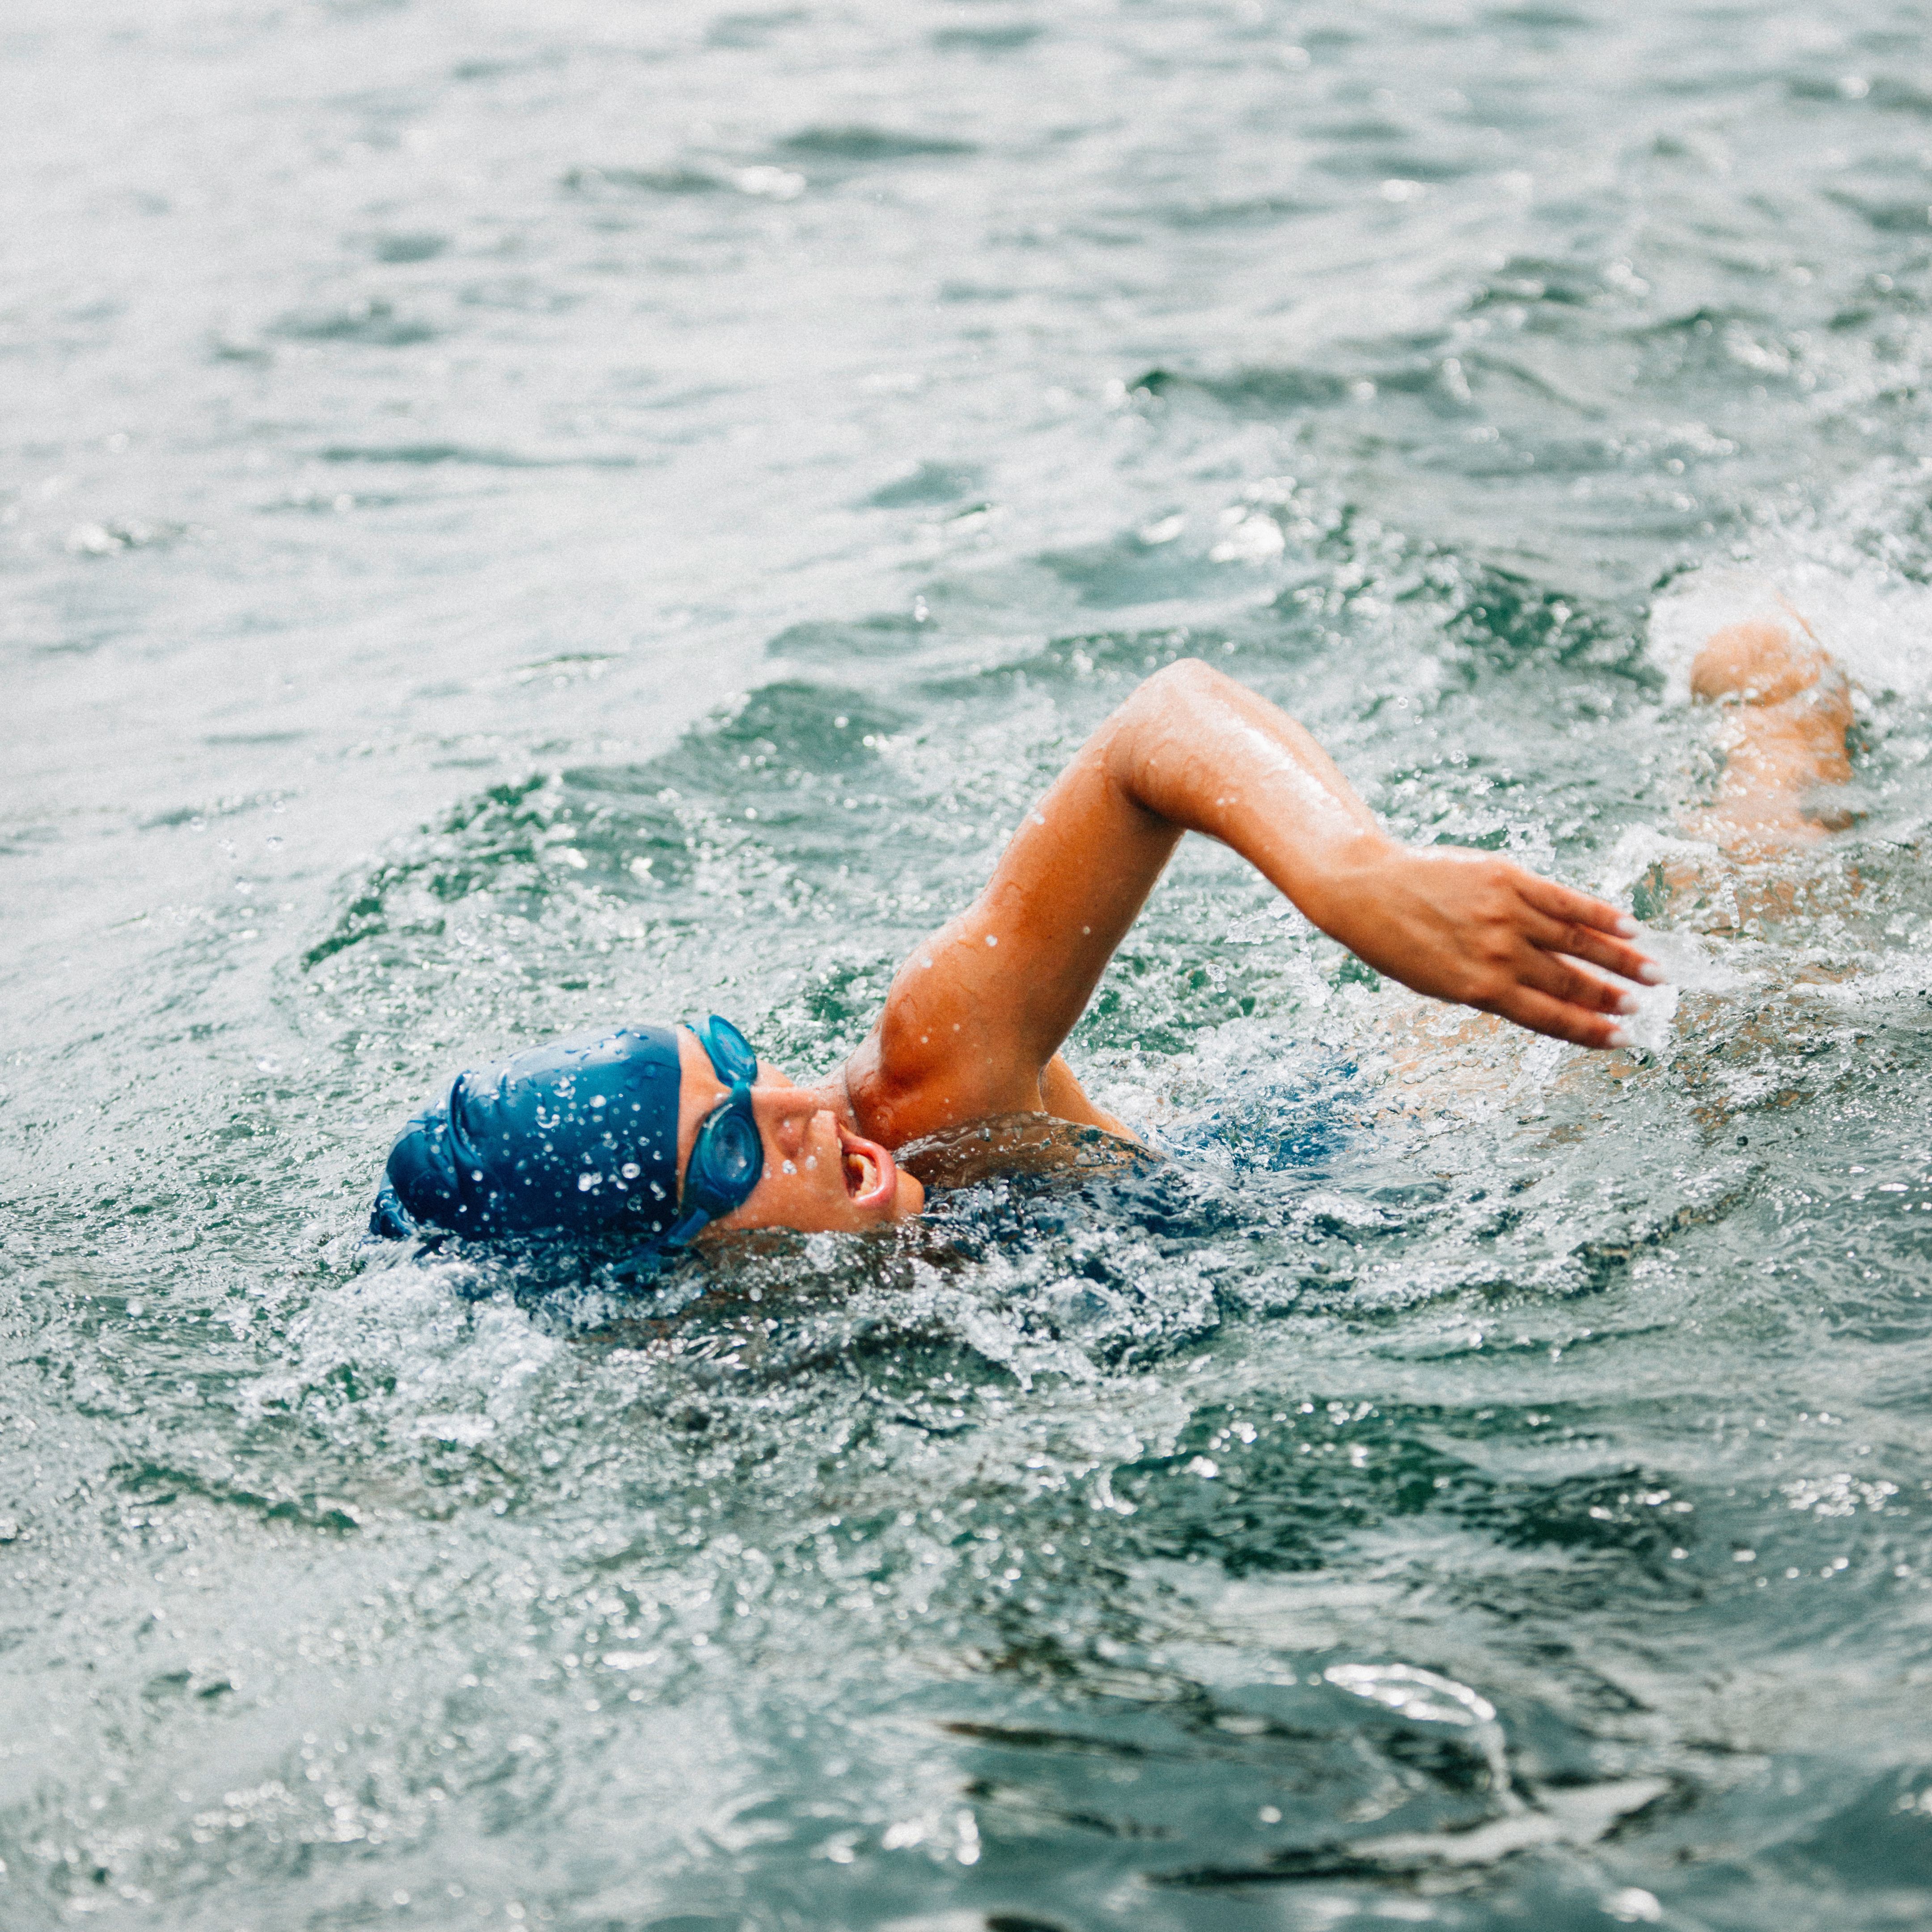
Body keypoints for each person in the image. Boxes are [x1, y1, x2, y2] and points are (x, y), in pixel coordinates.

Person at [371, 597, 1853, 1255]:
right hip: (1293, 1182)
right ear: (652, 1270)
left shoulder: (927, 1096)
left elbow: (1166, 725)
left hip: (1414, 1139)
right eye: (730, 1143)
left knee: (1758, 1019)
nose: (800, 1106)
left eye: (735, 1059)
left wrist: (1352, 877)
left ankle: (1787, 700)